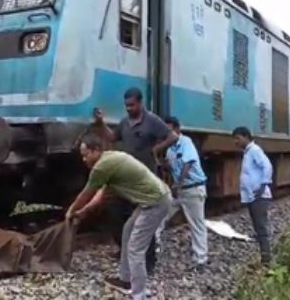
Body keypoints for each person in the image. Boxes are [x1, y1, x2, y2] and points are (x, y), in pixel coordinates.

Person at [66, 135, 172, 299]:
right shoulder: (110, 159)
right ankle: (125, 279)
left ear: (96, 151)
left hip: (155, 202)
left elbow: (87, 193)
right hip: (150, 201)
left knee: (136, 249)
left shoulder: (102, 166)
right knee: (128, 230)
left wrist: (71, 211)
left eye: (86, 154)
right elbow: (100, 195)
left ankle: (139, 294)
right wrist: (83, 212)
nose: (84, 159)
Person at [100, 88, 178, 273]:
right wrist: (101, 122)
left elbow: (172, 137)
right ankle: (124, 250)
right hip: (126, 179)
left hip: (144, 180)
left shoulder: (152, 121)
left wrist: (156, 149)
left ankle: (149, 261)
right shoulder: (125, 123)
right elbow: (112, 137)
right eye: (126, 105)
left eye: (132, 105)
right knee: (116, 212)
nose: (128, 108)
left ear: (140, 103)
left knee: (144, 220)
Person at [157, 116, 208, 269]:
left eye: (170, 129)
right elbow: (170, 167)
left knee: (196, 224)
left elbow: (188, 163)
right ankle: (154, 248)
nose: (167, 133)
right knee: (159, 216)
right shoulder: (170, 149)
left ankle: (201, 259)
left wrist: (178, 184)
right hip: (179, 191)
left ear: (177, 130)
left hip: (192, 188)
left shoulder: (186, 142)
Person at [232, 126, 273, 266]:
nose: (236, 142)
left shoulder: (254, 150)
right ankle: (265, 257)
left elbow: (267, 166)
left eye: (237, 138)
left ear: (245, 136)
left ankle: (266, 260)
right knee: (258, 227)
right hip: (253, 196)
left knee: (261, 228)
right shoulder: (248, 152)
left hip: (258, 197)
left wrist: (263, 185)